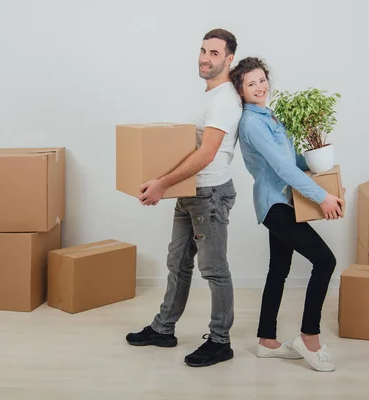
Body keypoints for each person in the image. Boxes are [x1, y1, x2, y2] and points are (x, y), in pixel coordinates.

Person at [126, 28, 242, 368]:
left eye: (214, 53)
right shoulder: (210, 95)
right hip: (191, 191)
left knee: (214, 269)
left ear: (229, 59)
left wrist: (162, 183)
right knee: (177, 262)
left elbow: (206, 154)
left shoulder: (224, 99)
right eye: (203, 51)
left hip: (209, 195)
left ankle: (221, 341)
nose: (205, 58)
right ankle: (164, 329)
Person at [229, 57, 344, 372]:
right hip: (275, 205)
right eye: (251, 83)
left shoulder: (269, 115)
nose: (260, 87)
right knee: (325, 261)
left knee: (278, 269)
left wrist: (319, 160)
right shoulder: (252, 122)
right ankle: (310, 337)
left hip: (284, 202)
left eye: (262, 80)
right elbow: (280, 169)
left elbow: (291, 159)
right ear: (240, 90)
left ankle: (267, 341)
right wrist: (321, 197)